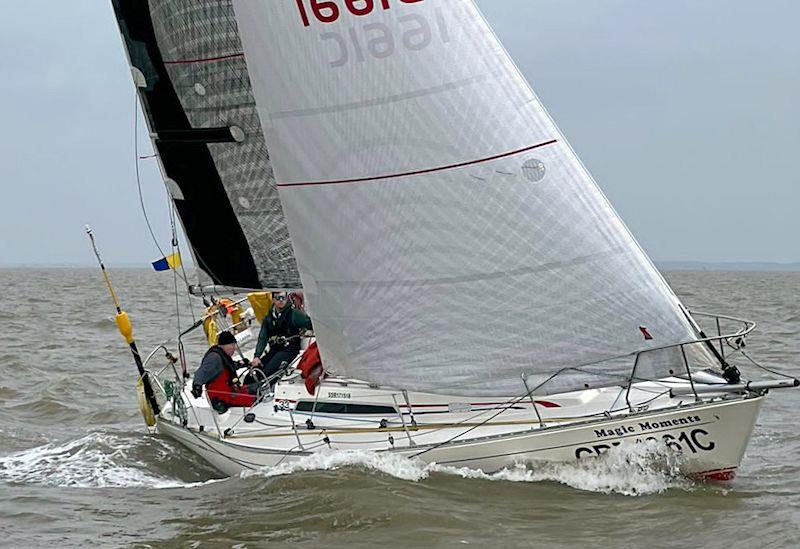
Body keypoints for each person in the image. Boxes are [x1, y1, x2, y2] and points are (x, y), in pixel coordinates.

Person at [191, 331, 256, 412]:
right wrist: (197, 386)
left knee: (256, 388)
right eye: (232, 345)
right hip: (222, 398)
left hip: (231, 392)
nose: (235, 348)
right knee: (255, 399)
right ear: (224, 345)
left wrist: (242, 363)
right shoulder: (214, 358)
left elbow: (229, 366)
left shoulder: (223, 356)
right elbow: (201, 372)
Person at [251, 291, 312, 378]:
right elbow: (263, 338)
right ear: (273, 300)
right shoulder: (268, 318)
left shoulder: (294, 314)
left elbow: (310, 324)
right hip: (274, 349)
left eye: (283, 298)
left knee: (267, 372)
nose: (281, 300)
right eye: (278, 298)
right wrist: (257, 356)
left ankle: (265, 388)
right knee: (256, 371)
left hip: (289, 349)